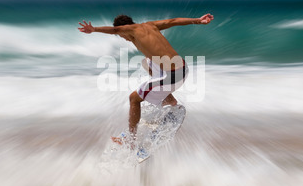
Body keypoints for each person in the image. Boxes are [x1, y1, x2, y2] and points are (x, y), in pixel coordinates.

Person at [78, 13, 214, 143]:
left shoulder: (129, 30)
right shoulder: (150, 25)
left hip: (173, 76)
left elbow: (115, 29)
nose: (124, 38)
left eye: (122, 36)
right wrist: (197, 20)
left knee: (134, 99)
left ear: (124, 30)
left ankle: (130, 140)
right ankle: (170, 99)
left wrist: (94, 29)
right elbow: (172, 21)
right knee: (147, 61)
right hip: (183, 68)